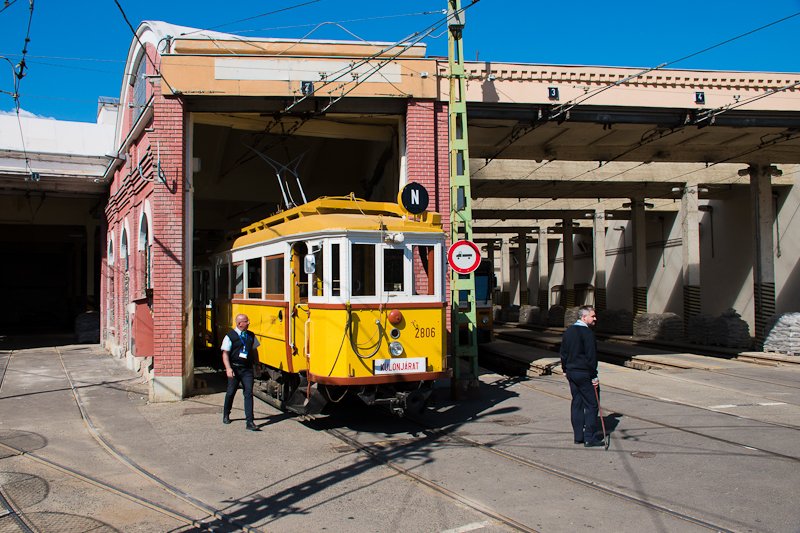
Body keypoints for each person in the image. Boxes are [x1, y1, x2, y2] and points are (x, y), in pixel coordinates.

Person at [560, 305, 604, 447]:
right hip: (584, 373)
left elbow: (563, 353)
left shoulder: (568, 331)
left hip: (572, 372)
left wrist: (565, 368)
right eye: (593, 316)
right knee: (592, 404)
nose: (595, 319)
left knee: (577, 402)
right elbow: (591, 357)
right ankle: (589, 437)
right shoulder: (588, 333)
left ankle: (578, 436)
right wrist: (594, 376)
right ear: (584, 317)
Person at [221, 313, 260, 431]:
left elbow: (254, 351)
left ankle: (250, 422)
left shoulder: (251, 335)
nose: (249, 323)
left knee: (248, 393)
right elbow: (225, 354)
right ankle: (226, 413)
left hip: (247, 369)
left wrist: (257, 365)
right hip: (234, 368)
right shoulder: (230, 336)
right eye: (246, 321)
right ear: (239, 323)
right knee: (231, 392)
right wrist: (228, 368)